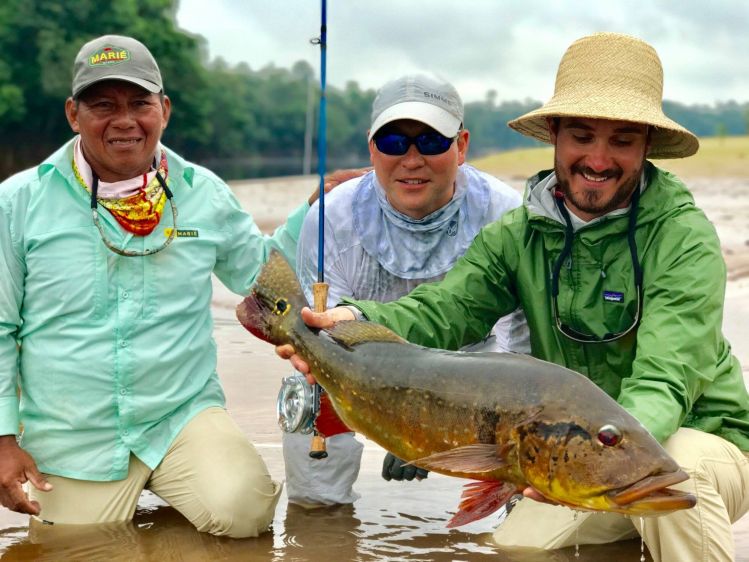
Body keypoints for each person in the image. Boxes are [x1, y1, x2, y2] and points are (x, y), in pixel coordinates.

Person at [276, 32, 749, 561]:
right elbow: (443, 310)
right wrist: (354, 320)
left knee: (683, 464)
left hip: (690, 438)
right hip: (578, 449)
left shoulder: (684, 239)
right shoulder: (518, 233)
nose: (598, 158)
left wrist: (613, 457)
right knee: (519, 549)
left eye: (622, 140)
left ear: (645, 147)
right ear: (555, 135)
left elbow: (665, 380)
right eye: (582, 135)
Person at [0, 34, 334, 538]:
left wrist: (314, 209)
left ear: (165, 109)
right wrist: (2, 440)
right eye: (102, 105)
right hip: (73, 433)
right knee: (69, 546)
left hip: (180, 415)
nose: (124, 120)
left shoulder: (203, 192)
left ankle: (177, 492)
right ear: (73, 114)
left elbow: (263, 275)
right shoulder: (17, 203)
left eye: (140, 103)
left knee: (245, 514)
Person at [283, 74, 528, 507]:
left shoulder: (505, 213)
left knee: (533, 423)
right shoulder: (328, 218)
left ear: (462, 145)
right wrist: (403, 419)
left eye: (431, 142)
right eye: (394, 143)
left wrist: (429, 423)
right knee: (307, 399)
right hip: (363, 367)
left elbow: (519, 346)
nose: (411, 160)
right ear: (371, 148)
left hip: (476, 370)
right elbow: (333, 344)